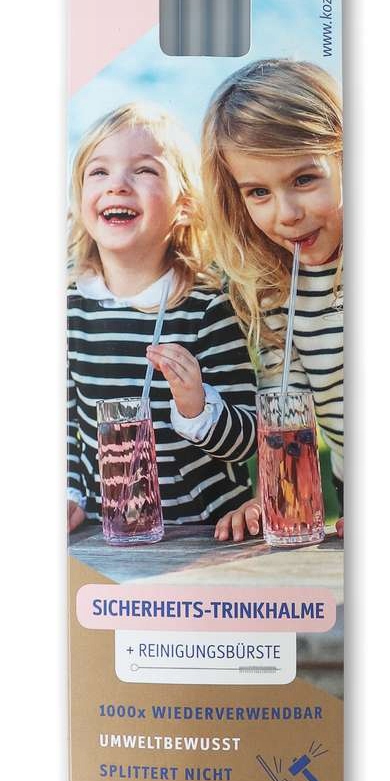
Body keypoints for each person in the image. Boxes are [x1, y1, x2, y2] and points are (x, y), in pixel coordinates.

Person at [67, 103, 257, 533]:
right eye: (99, 171)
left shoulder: (207, 307)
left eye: (144, 171)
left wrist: (197, 406)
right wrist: (70, 492)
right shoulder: (70, 309)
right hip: (109, 532)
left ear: (184, 206)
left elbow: (247, 440)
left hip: (207, 530)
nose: (117, 184)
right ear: (80, 200)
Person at [201, 60, 344, 541]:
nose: (287, 214)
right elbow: (286, 401)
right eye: (259, 192)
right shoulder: (273, 288)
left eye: (304, 179)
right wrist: (271, 495)